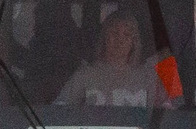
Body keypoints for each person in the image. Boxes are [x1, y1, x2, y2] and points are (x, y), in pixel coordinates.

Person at [52, 10, 184, 113]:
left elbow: (166, 117)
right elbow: (58, 111)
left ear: (134, 42)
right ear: (104, 38)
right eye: (114, 33)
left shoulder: (148, 77)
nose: (119, 40)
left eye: (126, 35)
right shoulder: (85, 75)